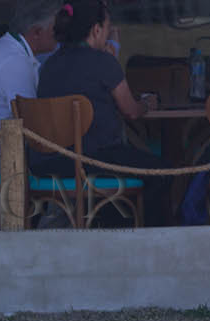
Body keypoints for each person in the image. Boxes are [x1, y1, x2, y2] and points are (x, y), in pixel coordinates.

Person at [35, 0, 167, 225]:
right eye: (107, 29)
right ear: (96, 29)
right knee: (162, 173)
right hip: (97, 160)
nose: (107, 35)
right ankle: (151, 241)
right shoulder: (103, 62)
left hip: (53, 163)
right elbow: (131, 111)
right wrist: (148, 104)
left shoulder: (48, 65)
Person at [0, 0, 60, 174]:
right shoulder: (15, 61)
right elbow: (31, 122)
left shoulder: (8, 49)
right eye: (54, 29)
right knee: (60, 169)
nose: (58, 34)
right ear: (37, 32)